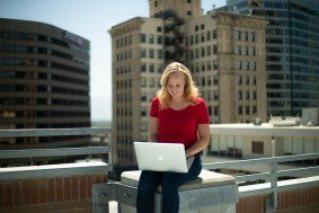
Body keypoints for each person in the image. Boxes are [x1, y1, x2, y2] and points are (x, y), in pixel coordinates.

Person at [136, 61, 210, 213]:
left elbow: (204, 139)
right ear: (165, 84)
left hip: (189, 159)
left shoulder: (198, 104)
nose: (174, 89)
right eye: (170, 85)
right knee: (145, 183)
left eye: (178, 85)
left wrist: (186, 154)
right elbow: (153, 134)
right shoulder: (157, 102)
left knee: (169, 183)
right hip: (162, 159)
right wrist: (157, 153)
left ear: (185, 83)